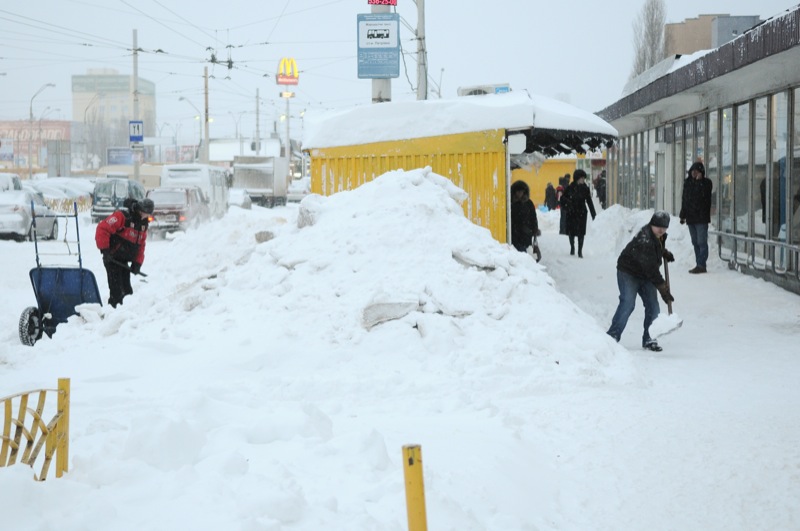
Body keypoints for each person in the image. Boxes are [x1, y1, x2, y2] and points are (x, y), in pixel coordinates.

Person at [607, 211, 676, 352]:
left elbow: (655, 248)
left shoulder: (658, 236)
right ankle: (612, 336)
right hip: (628, 272)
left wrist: (663, 252)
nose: (661, 230)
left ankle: (649, 338)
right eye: (658, 226)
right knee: (628, 303)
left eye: (664, 227)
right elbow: (651, 269)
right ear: (652, 224)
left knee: (653, 306)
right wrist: (663, 290)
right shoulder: (644, 239)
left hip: (645, 274)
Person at [95, 198, 154, 307]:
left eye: (148, 214)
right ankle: (112, 313)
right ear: (140, 209)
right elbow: (102, 229)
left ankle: (125, 314)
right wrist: (105, 250)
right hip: (112, 258)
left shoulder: (143, 225)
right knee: (117, 292)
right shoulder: (123, 216)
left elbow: (141, 245)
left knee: (127, 292)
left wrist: (137, 263)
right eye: (144, 213)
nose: (145, 216)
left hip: (124, 261)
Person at [679, 161, 713, 274]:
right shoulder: (687, 183)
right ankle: (699, 263)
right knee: (695, 242)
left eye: (696, 171)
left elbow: (704, 197)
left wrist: (699, 182)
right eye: (692, 171)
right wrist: (683, 214)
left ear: (701, 172)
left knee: (701, 241)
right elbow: (685, 200)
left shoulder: (706, 183)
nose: (694, 173)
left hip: (701, 218)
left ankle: (701, 264)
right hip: (691, 218)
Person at [562, 169, 596, 257]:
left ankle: (580, 251)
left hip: (582, 212)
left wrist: (593, 214)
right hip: (572, 212)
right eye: (582, 178)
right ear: (577, 178)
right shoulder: (570, 187)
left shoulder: (585, 188)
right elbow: (563, 199)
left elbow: (589, 201)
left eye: (584, 178)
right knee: (571, 232)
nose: (583, 180)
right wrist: (568, 206)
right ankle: (572, 247)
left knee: (581, 232)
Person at [510, 180, 540, 255]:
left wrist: (534, 229)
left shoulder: (529, 203)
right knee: (515, 252)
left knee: (525, 251)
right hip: (514, 233)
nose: (520, 193)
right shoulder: (510, 203)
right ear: (514, 192)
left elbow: (533, 217)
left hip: (526, 233)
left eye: (521, 191)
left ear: (524, 192)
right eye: (518, 191)